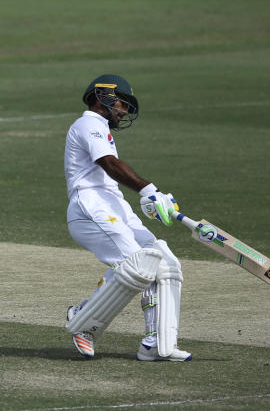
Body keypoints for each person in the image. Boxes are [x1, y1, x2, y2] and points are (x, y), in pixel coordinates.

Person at [63, 74, 192, 361]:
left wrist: (152, 201)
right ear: (103, 97)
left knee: (165, 264)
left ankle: (157, 343)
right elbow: (109, 164)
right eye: (122, 103)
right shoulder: (88, 123)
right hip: (90, 206)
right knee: (139, 265)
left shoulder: (98, 127)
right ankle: (84, 320)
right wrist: (149, 190)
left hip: (113, 205)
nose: (123, 111)